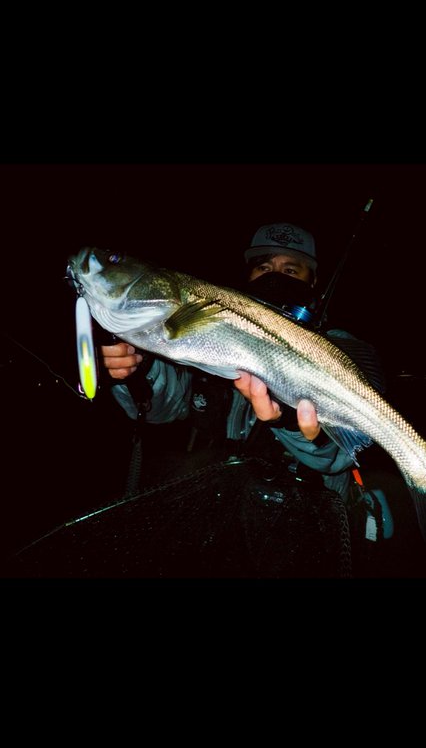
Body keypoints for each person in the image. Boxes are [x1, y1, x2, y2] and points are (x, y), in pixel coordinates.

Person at [100, 223, 393, 538]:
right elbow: (161, 410)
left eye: (291, 270)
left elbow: (338, 458)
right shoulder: (216, 329)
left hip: (305, 522)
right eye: (264, 267)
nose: (274, 277)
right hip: (219, 508)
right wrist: (138, 372)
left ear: (313, 281)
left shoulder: (336, 350)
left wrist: (292, 422)